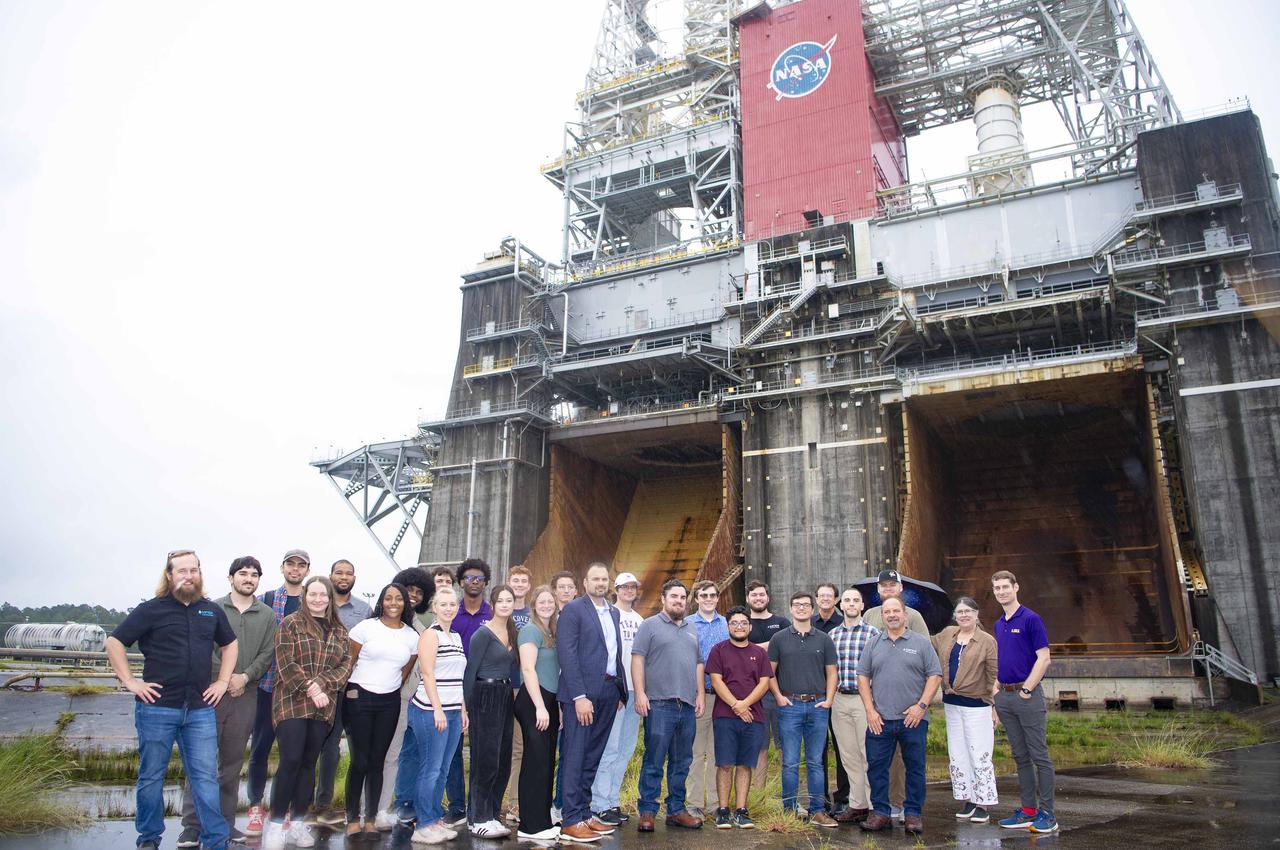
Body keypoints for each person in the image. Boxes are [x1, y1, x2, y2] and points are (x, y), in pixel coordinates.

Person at [107, 549, 238, 850]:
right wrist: (129, 681)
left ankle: (216, 840)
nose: (188, 576)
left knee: (205, 777)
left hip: (200, 710)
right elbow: (114, 641)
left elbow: (230, 644)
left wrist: (222, 681)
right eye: (181, 571)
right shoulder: (151, 610)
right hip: (157, 708)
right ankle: (149, 838)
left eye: (193, 570)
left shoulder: (210, 610)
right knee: (152, 776)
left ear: (199, 574)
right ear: (169, 575)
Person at [176, 556, 277, 848]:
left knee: (231, 765)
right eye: (243, 573)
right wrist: (225, 677)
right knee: (201, 762)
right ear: (230, 577)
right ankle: (192, 826)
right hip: (209, 694)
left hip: (246, 695)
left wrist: (244, 678)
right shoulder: (210, 608)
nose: (248, 578)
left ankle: (224, 823)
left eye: (254, 574)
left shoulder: (267, 615)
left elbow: (267, 653)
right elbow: (202, 648)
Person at [263, 576, 353, 850]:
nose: (317, 599)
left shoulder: (339, 631)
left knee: (308, 764)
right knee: (290, 760)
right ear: (304, 596)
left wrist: (323, 685)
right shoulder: (290, 624)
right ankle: (276, 825)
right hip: (292, 701)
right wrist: (311, 689)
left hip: (323, 707)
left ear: (329, 598)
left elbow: (345, 666)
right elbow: (286, 663)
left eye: (322, 595)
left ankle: (299, 823)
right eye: (312, 594)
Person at [857, 597, 942, 837]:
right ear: (882, 616)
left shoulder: (921, 643)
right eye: (887, 612)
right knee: (876, 767)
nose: (892, 615)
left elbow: (935, 675)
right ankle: (881, 812)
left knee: (915, 767)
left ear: (905, 615)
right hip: (880, 720)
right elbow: (862, 677)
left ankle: (913, 813)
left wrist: (921, 706)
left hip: (912, 720)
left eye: (896, 611)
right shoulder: (873, 644)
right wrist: (870, 711)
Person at [557, 563, 627, 843]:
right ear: (584, 582)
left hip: (609, 693)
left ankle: (584, 813)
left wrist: (620, 691)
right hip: (583, 695)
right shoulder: (574, 610)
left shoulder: (613, 611)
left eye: (604, 579)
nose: (600, 583)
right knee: (576, 755)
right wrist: (579, 696)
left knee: (593, 756)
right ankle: (571, 819)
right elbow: (567, 653)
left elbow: (614, 652)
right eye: (595, 579)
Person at [342, 583, 419, 838]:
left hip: (389, 701)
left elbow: (405, 670)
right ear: (381, 602)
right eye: (389, 598)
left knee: (378, 761)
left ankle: (371, 818)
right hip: (360, 697)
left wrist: (390, 688)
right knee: (360, 760)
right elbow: (349, 662)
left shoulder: (411, 636)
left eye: (399, 599)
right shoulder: (366, 628)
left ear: (405, 603)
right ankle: (353, 817)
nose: (394, 603)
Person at [245, 549, 311, 836]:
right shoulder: (267, 600)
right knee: (260, 748)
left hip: (299, 691)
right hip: (268, 686)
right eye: (290, 564)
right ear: (283, 567)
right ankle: (256, 806)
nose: (295, 569)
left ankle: (283, 809)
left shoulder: (314, 600)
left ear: (307, 570)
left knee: (293, 754)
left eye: (301, 565)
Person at [633, 579, 706, 832]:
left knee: (682, 761)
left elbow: (698, 663)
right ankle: (647, 811)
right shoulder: (649, 625)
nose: (679, 601)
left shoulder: (692, 628)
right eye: (674, 596)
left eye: (683, 597)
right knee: (654, 759)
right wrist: (640, 693)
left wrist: (700, 695)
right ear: (663, 599)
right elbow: (638, 659)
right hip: (659, 703)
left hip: (686, 706)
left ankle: (676, 810)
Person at [991, 570, 1058, 834]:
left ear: (1016, 587)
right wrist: (996, 687)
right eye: (997, 588)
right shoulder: (999, 623)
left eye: (1005, 587)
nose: (1001, 592)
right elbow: (1004, 658)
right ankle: (1028, 811)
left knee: (1039, 756)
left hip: (1026, 696)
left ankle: (1048, 815)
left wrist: (1027, 690)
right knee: (1020, 756)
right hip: (1005, 697)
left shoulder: (1031, 619)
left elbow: (1044, 658)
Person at [312, 559, 374, 830]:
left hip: (353, 687)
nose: (344, 577)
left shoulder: (364, 609)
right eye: (339, 572)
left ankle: (339, 807)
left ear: (355, 577)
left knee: (342, 749)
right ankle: (309, 806)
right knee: (313, 746)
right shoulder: (318, 604)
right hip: (318, 687)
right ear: (330, 576)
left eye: (349, 573)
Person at [861, 569, 928, 819]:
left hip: (908, 703)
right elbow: (864, 663)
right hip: (875, 699)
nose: (888, 588)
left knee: (905, 760)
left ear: (901, 588)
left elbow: (926, 658)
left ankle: (901, 804)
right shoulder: (868, 615)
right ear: (878, 590)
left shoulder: (915, 617)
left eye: (892, 585)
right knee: (876, 758)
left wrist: (921, 702)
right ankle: (878, 806)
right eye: (883, 585)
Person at [376, 567, 439, 830]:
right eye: (408, 590)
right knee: (386, 754)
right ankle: (377, 808)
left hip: (416, 696)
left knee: (408, 753)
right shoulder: (386, 624)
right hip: (391, 695)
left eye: (418, 592)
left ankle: (396, 805)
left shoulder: (421, 625)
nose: (413, 595)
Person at [768, 591, 838, 826]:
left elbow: (831, 672)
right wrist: (778, 696)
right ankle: (789, 810)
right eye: (797, 605)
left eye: (806, 605)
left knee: (816, 761)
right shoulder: (779, 639)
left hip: (818, 706)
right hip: (790, 706)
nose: (801, 608)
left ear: (812, 609)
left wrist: (828, 700)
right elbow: (769, 672)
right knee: (789, 761)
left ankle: (817, 810)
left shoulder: (823, 639)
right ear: (790, 608)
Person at [407, 587, 468, 845]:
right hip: (431, 710)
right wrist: (438, 709)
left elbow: (458, 678)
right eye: (443, 604)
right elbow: (427, 673)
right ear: (434, 607)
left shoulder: (454, 636)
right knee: (430, 768)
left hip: (454, 710)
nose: (448, 608)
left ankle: (433, 818)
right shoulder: (431, 636)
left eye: (452, 604)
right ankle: (423, 824)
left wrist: (462, 709)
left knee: (443, 769)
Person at [705, 606, 773, 829]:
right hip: (725, 716)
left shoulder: (759, 653)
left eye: (744, 622)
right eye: (734, 623)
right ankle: (723, 810)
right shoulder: (719, 650)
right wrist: (736, 705)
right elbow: (716, 680)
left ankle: (741, 810)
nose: (739, 626)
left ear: (750, 627)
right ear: (728, 627)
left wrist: (745, 705)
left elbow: (764, 683)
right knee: (725, 763)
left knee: (745, 764)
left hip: (754, 716)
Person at [934, 596, 999, 824]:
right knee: (958, 753)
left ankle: (983, 802)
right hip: (952, 704)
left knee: (979, 754)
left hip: (977, 704)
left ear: (976, 614)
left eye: (968, 612)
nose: (964, 615)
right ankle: (968, 799)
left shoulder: (986, 641)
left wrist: (994, 706)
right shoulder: (948, 634)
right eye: (960, 612)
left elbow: (993, 674)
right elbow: (926, 642)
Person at [463, 584, 519, 838]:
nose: (506, 604)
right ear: (493, 604)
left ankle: (492, 813)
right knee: (484, 760)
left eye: (510, 600)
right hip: (484, 695)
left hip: (506, 695)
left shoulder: (513, 630)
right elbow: (470, 672)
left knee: (502, 759)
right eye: (501, 600)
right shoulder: (482, 634)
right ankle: (477, 817)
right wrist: (466, 708)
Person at [589, 573, 643, 826]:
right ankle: (599, 804)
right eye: (624, 586)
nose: (629, 590)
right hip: (615, 691)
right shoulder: (608, 614)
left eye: (633, 587)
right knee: (609, 749)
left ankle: (612, 801)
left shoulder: (641, 620)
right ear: (616, 589)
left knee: (625, 750)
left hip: (636, 691)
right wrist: (614, 688)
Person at [444, 558, 493, 827]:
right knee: (452, 749)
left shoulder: (493, 614)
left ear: (485, 583)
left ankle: (478, 805)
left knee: (480, 749)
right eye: (469, 578)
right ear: (460, 582)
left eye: (479, 578)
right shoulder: (453, 613)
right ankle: (456, 806)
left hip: (484, 690)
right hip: (453, 688)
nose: (474, 582)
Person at [514, 585, 562, 841]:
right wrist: (541, 707)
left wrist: (555, 707)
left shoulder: (551, 631)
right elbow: (528, 670)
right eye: (542, 601)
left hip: (549, 701)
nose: (546, 605)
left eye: (550, 601)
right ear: (534, 605)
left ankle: (542, 821)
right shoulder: (530, 630)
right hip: (534, 700)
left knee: (546, 762)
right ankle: (529, 826)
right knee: (535, 763)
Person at [827, 586, 878, 824]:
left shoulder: (873, 634)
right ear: (841, 605)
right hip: (839, 699)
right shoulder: (833, 636)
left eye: (855, 600)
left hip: (862, 699)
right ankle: (857, 804)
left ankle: (874, 805)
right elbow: (830, 671)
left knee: (867, 752)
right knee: (848, 755)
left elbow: (879, 669)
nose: (851, 604)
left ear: (862, 605)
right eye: (846, 600)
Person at [687, 579, 728, 817]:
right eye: (704, 596)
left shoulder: (726, 624)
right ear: (697, 599)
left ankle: (715, 804)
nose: (709, 599)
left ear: (718, 597)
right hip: (698, 696)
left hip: (723, 697)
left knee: (717, 752)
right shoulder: (688, 624)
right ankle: (694, 804)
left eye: (713, 595)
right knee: (695, 753)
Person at [744, 580, 788, 788]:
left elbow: (788, 646)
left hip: (781, 691)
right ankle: (759, 795)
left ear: (768, 598)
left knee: (784, 746)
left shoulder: (781, 623)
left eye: (762, 595)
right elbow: (737, 648)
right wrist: (771, 645)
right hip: (753, 695)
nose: (758, 598)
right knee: (759, 747)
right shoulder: (743, 623)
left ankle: (787, 794)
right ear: (748, 599)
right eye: (754, 595)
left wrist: (752, 647)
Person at [811, 582, 848, 816]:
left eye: (829, 596)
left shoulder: (844, 623)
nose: (825, 599)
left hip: (840, 694)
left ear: (836, 600)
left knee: (844, 748)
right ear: (816, 599)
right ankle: (820, 799)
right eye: (821, 596)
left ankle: (844, 797)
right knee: (818, 750)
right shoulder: (810, 623)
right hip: (815, 694)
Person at [501, 565, 533, 824]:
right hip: (503, 685)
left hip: (527, 686)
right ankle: (504, 805)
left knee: (522, 747)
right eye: (515, 580)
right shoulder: (502, 611)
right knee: (504, 746)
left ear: (529, 585)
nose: (520, 584)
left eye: (524, 581)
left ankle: (517, 803)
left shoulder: (534, 613)